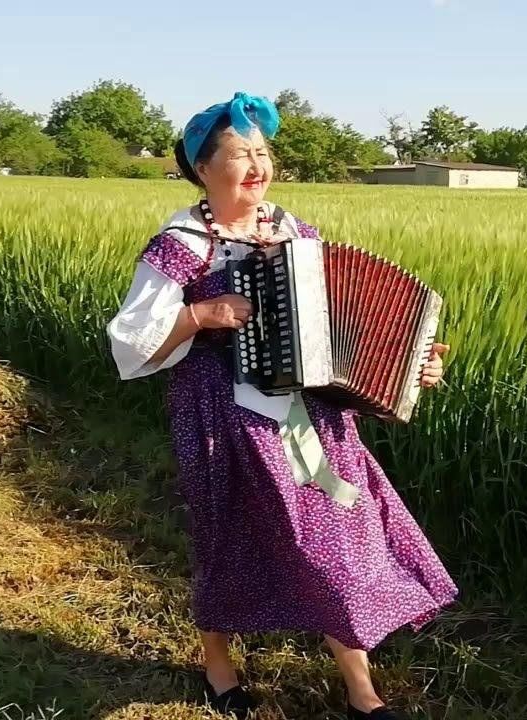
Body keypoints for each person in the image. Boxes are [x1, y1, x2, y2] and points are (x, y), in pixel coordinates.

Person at [106, 92, 458, 720]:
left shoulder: (297, 234)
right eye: (240, 154)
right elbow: (131, 343)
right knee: (227, 540)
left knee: (339, 540)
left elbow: (347, 328)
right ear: (202, 169)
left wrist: (413, 364)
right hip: (223, 418)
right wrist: (198, 315)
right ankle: (218, 665)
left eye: (262, 152)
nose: (257, 165)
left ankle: (361, 691)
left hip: (312, 424)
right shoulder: (181, 245)